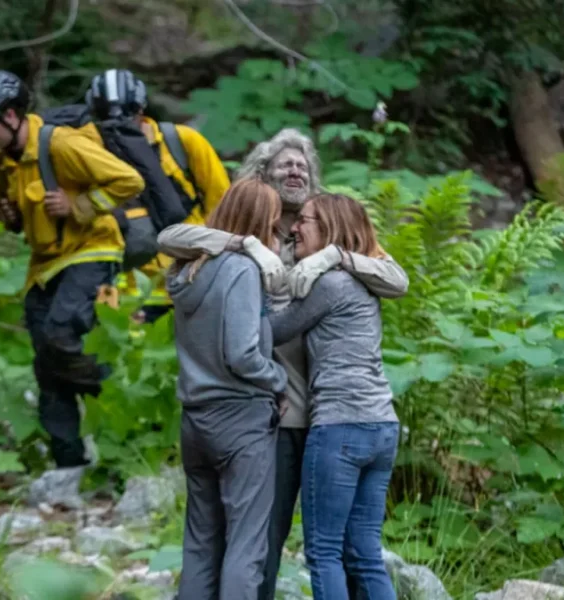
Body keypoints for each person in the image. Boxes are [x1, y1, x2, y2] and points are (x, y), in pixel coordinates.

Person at [155, 127, 408, 600]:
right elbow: (170, 237)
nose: (295, 171)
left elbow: (396, 278)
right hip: (276, 414)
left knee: (332, 546)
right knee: (263, 541)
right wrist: (246, 244)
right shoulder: (244, 240)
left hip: (331, 416)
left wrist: (334, 256)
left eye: (303, 166)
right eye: (284, 165)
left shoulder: (325, 241)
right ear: (262, 177)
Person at [0, 70, 145, 469]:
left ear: (11, 116)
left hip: (92, 250)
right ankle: (68, 463)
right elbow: (3, 214)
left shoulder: (61, 144)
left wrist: (79, 205)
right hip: (43, 266)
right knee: (46, 362)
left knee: (62, 334)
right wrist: (7, 216)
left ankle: (114, 393)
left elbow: (129, 180)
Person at [267, 193, 399, 600]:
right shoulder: (363, 278)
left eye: (304, 220)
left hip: (340, 427)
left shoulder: (330, 282)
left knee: (324, 552)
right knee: (364, 555)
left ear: (330, 227)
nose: (294, 228)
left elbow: (275, 330)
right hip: (382, 425)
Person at [168, 178, 287, 600]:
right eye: (274, 225)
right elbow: (241, 353)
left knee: (201, 544)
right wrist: (279, 379)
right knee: (246, 545)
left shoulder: (188, 270)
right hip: (240, 421)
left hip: (195, 421)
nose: (278, 236)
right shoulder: (241, 270)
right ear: (259, 224)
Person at [85, 68, 230, 323]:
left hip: (188, 282)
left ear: (141, 109)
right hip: (123, 293)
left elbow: (224, 207)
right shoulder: (87, 154)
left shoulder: (181, 141)